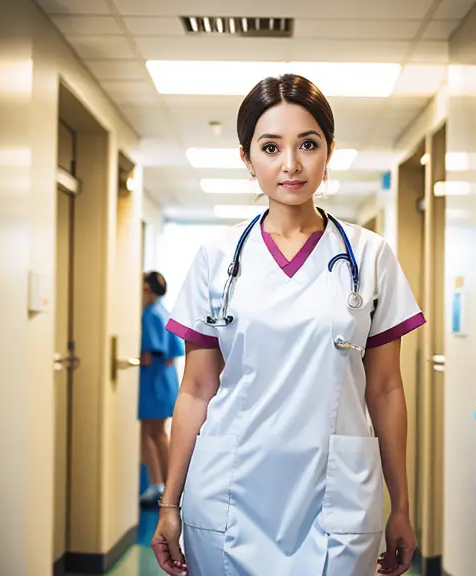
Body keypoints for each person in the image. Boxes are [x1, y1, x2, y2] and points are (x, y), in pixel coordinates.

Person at [151, 74, 425, 576]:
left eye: (308, 144)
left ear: (329, 151)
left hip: (335, 493)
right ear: (246, 157)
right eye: (271, 147)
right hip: (229, 491)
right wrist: (170, 504)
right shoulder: (216, 258)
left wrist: (401, 505)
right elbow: (195, 389)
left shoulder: (369, 255)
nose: (291, 164)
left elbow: (385, 390)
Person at [139, 271, 185, 506]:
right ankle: (169, 485)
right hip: (164, 381)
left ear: (146, 288)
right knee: (159, 433)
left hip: (152, 380)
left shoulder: (150, 314)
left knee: (147, 433)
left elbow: (149, 354)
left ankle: (156, 484)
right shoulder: (164, 312)